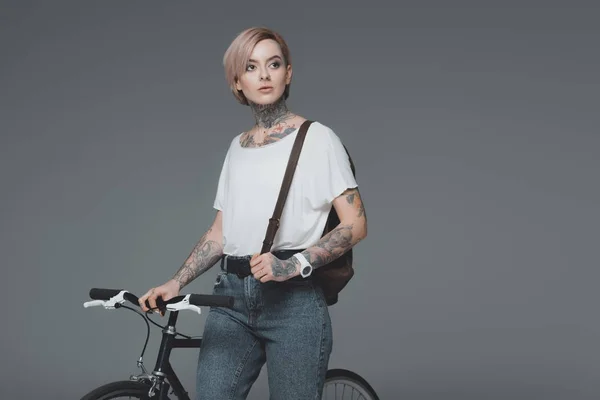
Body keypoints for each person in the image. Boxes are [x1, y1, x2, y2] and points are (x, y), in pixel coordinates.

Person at [139, 26, 368, 400]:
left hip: (293, 301)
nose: (264, 75)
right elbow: (219, 233)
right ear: (237, 82)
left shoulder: (317, 138)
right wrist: (175, 282)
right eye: (251, 66)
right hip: (230, 299)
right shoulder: (237, 148)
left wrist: (292, 265)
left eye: (273, 64)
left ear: (287, 73)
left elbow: (356, 224)